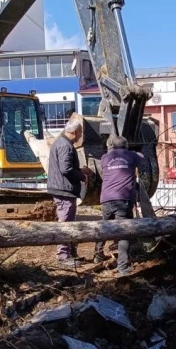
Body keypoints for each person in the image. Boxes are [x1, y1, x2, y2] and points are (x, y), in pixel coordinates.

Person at [94, 135, 146, 276]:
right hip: (123, 199)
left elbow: (101, 167)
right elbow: (143, 158)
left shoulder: (105, 157)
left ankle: (97, 255)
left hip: (105, 199)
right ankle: (122, 267)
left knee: (104, 227)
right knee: (124, 232)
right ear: (126, 145)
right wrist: (133, 151)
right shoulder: (132, 156)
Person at [47, 117, 91, 267]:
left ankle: (70, 253)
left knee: (69, 221)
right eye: (79, 133)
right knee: (65, 223)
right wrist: (82, 176)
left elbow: (66, 166)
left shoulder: (61, 142)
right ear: (73, 132)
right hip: (64, 189)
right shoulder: (65, 145)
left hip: (62, 187)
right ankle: (63, 256)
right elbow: (65, 169)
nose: (80, 136)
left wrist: (80, 170)